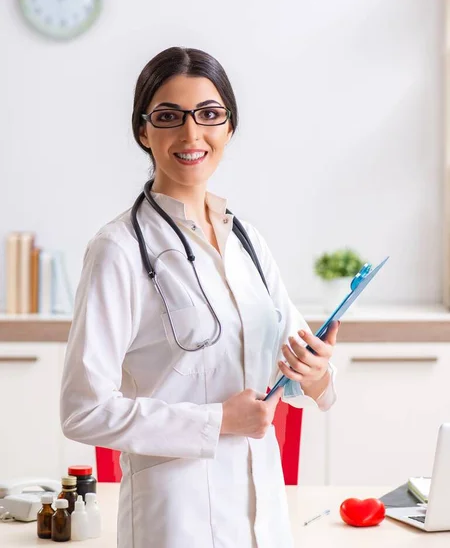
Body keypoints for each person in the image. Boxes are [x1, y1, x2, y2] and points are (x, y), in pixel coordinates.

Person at [60, 46, 339, 548]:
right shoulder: (118, 249)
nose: (192, 134)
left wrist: (314, 374)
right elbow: (83, 409)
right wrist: (216, 421)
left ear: (230, 127)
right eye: (169, 116)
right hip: (176, 520)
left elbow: (297, 369)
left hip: (263, 517)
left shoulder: (247, 241)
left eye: (209, 115)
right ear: (143, 131)